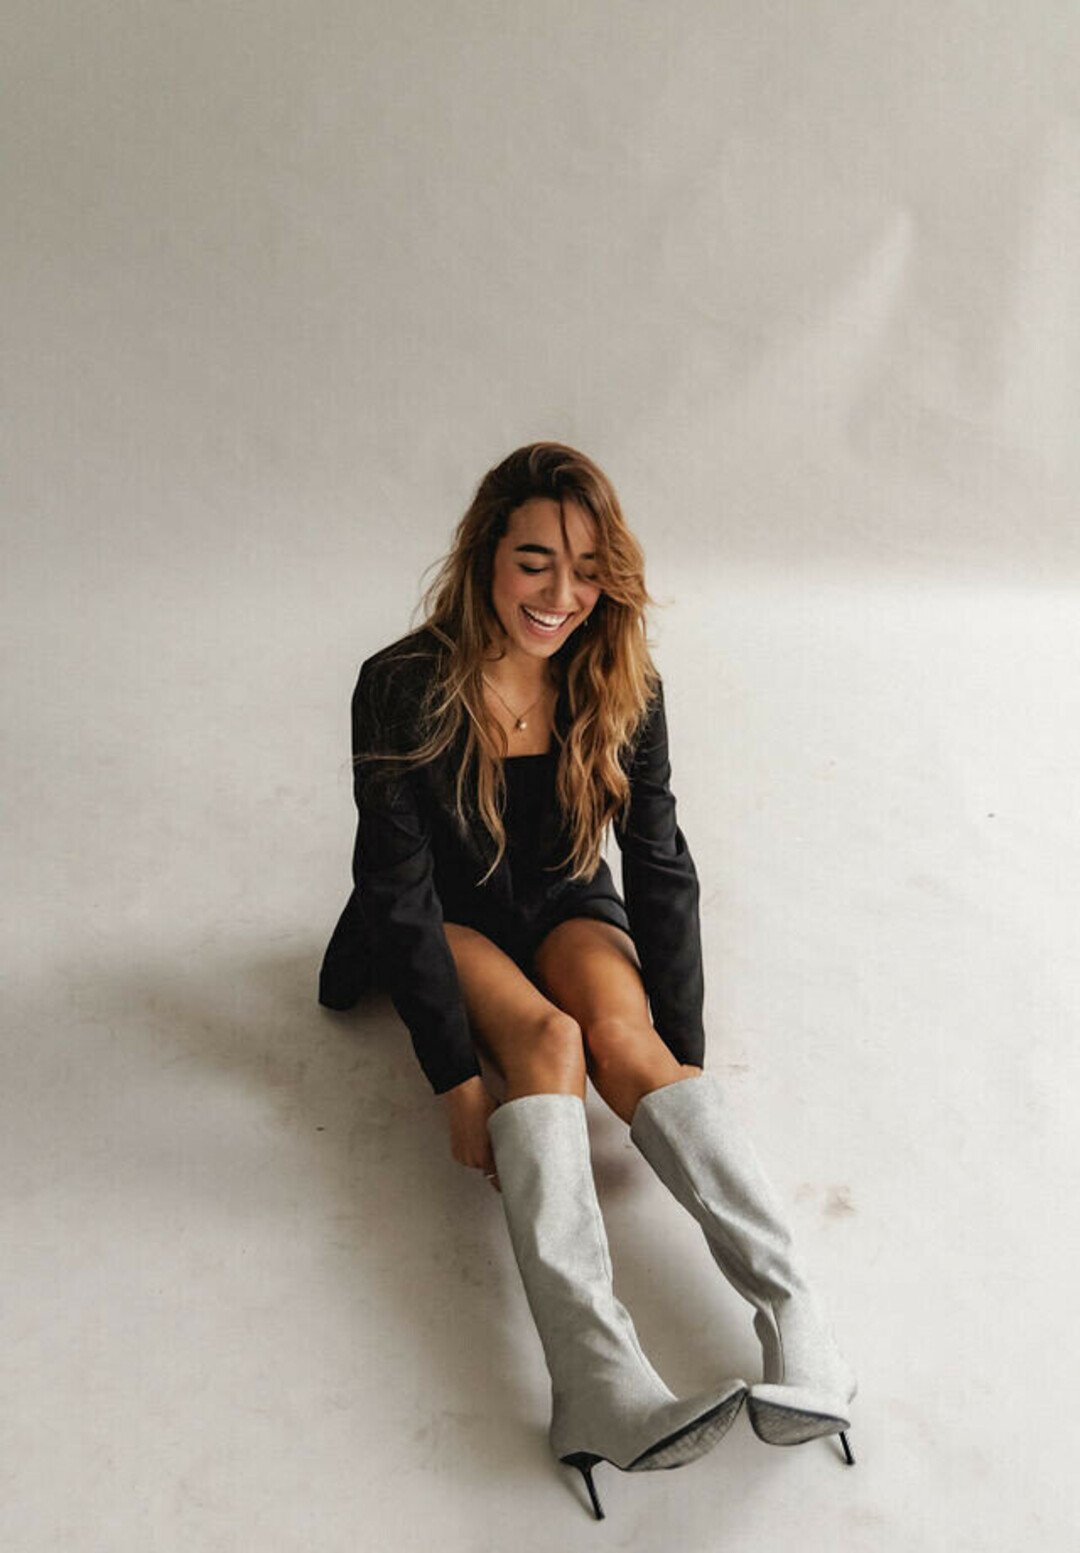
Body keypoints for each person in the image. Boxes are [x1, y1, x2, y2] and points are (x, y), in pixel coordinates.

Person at [319, 442, 856, 1519]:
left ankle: (798, 1318)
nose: (560, 594)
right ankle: (598, 1381)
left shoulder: (622, 678)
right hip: (445, 911)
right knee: (548, 1042)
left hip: (564, 896)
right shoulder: (400, 683)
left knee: (623, 1038)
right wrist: (455, 1082)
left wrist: (679, 1061)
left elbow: (657, 857)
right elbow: (397, 886)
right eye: (534, 561)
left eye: (586, 567)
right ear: (485, 554)